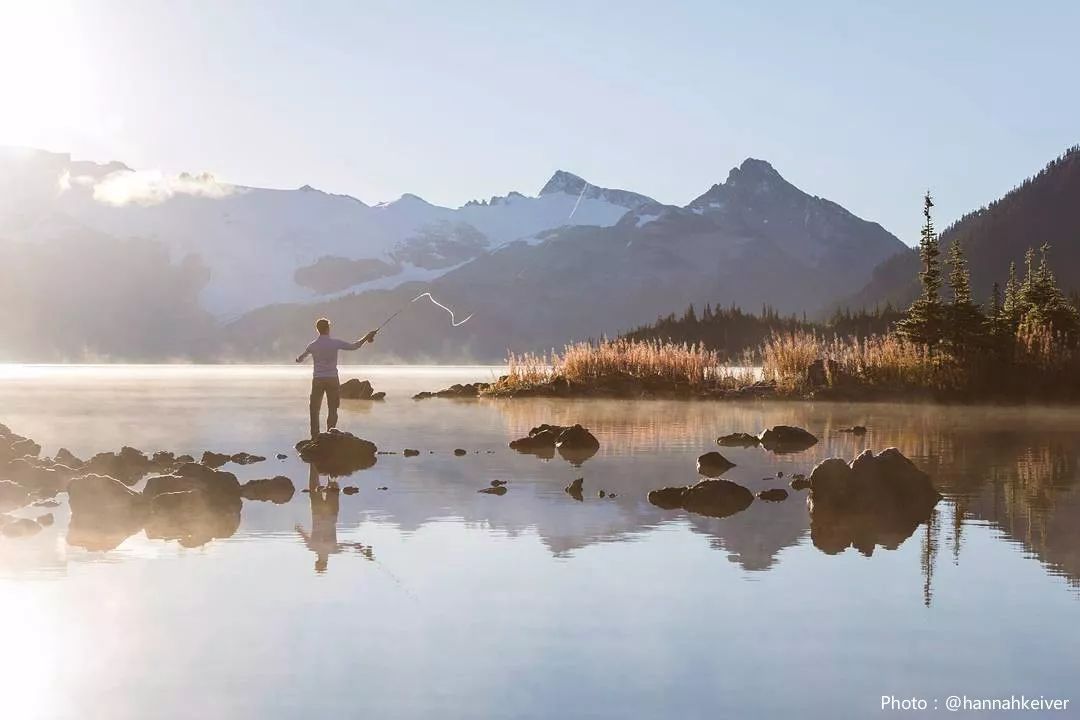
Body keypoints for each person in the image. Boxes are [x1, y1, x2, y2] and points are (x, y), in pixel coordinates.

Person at [296, 317, 377, 437]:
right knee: (333, 408)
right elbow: (355, 346)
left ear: (317, 330)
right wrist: (367, 336)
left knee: (314, 409)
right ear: (328, 329)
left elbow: (301, 359)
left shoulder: (312, 345)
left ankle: (314, 436)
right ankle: (331, 433)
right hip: (332, 379)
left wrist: (298, 359)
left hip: (318, 379)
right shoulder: (335, 343)